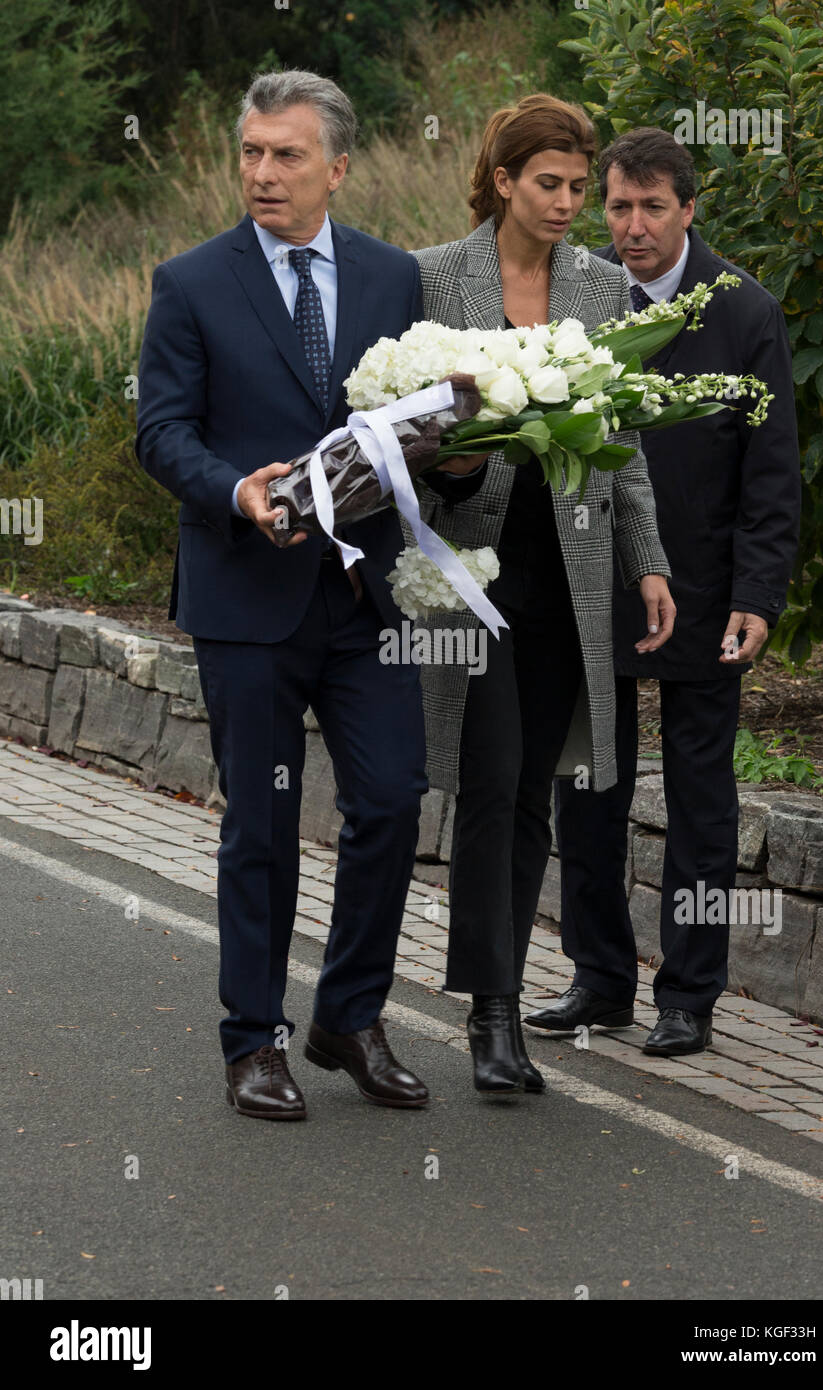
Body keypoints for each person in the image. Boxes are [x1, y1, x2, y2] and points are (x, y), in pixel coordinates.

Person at [136, 69, 483, 1120]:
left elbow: (408, 427)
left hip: (366, 597)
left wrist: (458, 461)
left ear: (336, 166)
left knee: (388, 799)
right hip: (245, 597)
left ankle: (348, 1016)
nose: (261, 172)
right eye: (249, 151)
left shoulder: (391, 279)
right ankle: (254, 1039)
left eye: (285, 154)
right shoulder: (190, 281)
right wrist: (231, 489)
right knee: (264, 824)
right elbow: (161, 431)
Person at [412, 95, 675, 1095]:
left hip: (570, 572)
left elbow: (626, 445)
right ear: (503, 179)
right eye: (550, 184)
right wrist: (448, 472)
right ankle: (487, 1015)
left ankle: (506, 995)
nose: (569, 202)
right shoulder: (437, 274)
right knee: (490, 778)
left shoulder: (604, 290)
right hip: (473, 566)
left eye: (579, 185)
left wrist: (646, 560)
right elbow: (405, 424)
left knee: (532, 793)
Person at [526, 127, 800, 1056]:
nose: (632, 227)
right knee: (589, 786)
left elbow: (772, 477)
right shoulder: (582, 301)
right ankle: (599, 979)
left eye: (651, 208)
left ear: (689, 209)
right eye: (617, 208)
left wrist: (757, 597)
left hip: (709, 591)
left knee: (700, 798)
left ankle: (689, 996)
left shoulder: (745, 314)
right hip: (591, 582)